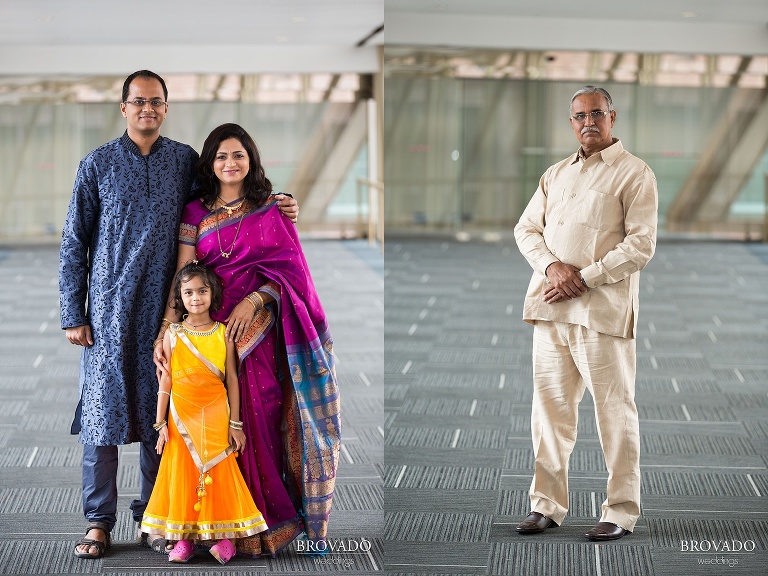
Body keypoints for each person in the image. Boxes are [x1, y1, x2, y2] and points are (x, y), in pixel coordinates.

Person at [60, 69, 298, 559]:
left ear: (166, 108)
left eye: (157, 102)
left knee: (164, 415)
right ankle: (98, 521)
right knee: (103, 419)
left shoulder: (184, 160)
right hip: (108, 312)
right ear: (123, 107)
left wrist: (276, 202)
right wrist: (73, 312)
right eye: (138, 101)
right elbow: (72, 243)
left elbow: (226, 193)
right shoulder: (97, 165)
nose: (148, 109)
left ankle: (154, 516)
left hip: (170, 312)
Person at [154, 122, 340, 557]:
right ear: (210, 163)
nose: (230, 163)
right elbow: (183, 276)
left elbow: (291, 275)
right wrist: (168, 327)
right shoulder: (194, 213)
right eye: (221, 156)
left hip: (257, 333)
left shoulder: (270, 209)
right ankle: (214, 525)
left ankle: (265, 524)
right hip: (208, 335)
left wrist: (253, 301)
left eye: (238, 155)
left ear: (251, 160)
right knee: (210, 428)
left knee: (260, 421)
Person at [513, 85, 658, 542]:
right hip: (551, 308)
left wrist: (586, 276)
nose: (588, 122)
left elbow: (641, 244)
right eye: (579, 116)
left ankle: (620, 510)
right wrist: (553, 267)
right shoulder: (554, 174)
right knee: (550, 414)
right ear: (571, 122)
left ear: (612, 117)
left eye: (596, 113)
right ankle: (547, 506)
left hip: (602, 313)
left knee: (614, 413)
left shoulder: (634, 174)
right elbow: (526, 228)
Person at [141, 262, 267, 564]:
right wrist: (160, 425)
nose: (195, 297)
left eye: (202, 290)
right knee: (183, 476)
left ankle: (224, 539)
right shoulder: (173, 333)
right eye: (188, 292)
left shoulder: (223, 333)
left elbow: (232, 379)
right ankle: (183, 540)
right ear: (179, 297)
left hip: (215, 414)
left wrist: (236, 424)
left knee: (218, 474)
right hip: (180, 415)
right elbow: (166, 380)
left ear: (213, 294)